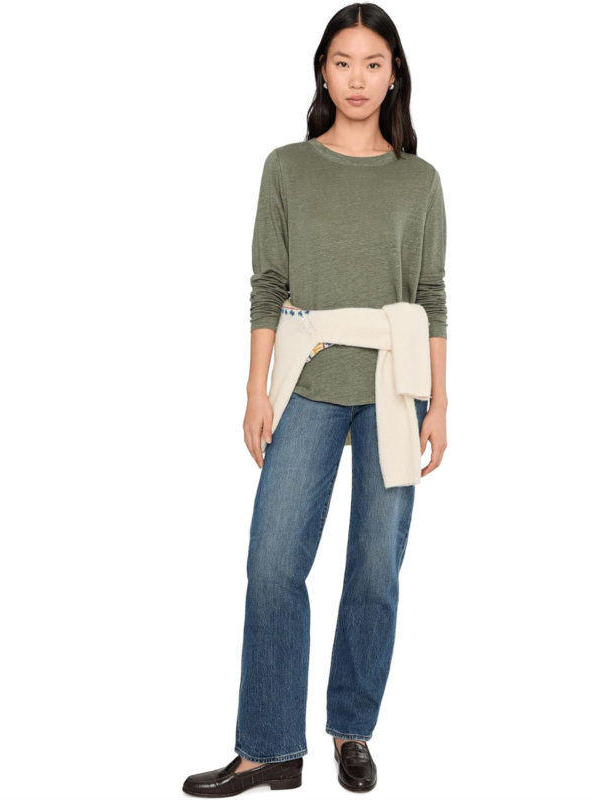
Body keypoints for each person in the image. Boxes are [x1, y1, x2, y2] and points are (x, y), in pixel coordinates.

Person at [183, 4, 447, 796]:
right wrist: (256, 389)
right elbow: (268, 284)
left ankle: (350, 729)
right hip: (307, 377)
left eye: (373, 63)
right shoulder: (287, 168)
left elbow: (431, 295)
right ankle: (269, 747)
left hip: (395, 385)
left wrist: (442, 402)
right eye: (342, 61)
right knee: (272, 563)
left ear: (393, 75)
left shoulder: (419, 180)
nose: (357, 78)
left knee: (375, 571)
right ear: (323, 72)